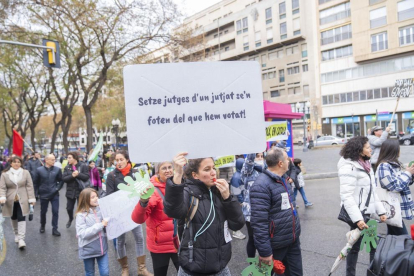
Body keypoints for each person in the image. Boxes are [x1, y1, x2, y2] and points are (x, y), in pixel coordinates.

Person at [163, 153, 245, 276]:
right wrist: (178, 174)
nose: (213, 172)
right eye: (207, 169)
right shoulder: (187, 191)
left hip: (221, 268)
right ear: (195, 175)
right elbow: (172, 210)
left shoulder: (219, 191)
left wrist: (228, 198)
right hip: (193, 270)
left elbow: (237, 224)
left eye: (213, 167)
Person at [338, 136, 387, 276]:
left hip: (368, 215)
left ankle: (373, 272)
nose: (371, 149)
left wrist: (381, 211)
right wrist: (358, 219)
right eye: (367, 147)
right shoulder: (349, 166)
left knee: (372, 245)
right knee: (355, 247)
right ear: (359, 150)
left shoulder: (366, 163)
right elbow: (346, 195)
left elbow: (372, 191)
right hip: (358, 215)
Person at [250, 148, 302, 276]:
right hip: (276, 244)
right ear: (280, 163)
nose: (290, 160)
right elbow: (259, 222)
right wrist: (265, 252)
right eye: (287, 158)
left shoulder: (283, 178)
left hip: (292, 240)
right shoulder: (261, 185)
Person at [106, 150, 152, 276]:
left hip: (134, 211)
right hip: (120, 214)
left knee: (139, 238)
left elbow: (144, 188)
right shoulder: (112, 176)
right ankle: (124, 268)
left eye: (121, 159)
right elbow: (109, 196)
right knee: (120, 241)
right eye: (117, 160)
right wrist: (124, 192)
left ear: (127, 160)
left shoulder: (136, 173)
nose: (119, 162)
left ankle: (142, 269)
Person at [131, 161, 179, 276]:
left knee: (186, 273)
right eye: (164, 168)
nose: (168, 170)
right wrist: (143, 201)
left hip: (179, 242)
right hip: (160, 245)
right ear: (157, 172)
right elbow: (138, 219)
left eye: (170, 167)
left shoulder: (179, 185)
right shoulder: (152, 190)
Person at [376, 139, 414, 235]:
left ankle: (384, 250)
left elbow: (404, 183)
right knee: (404, 239)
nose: (400, 151)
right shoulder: (384, 166)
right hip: (390, 208)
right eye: (399, 149)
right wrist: (408, 173)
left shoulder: (395, 165)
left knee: (394, 238)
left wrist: (410, 174)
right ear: (393, 150)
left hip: (395, 208)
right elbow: (395, 186)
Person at [0, 156, 36, 249]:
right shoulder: (5, 174)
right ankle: (16, 234)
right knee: (14, 217)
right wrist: (2, 197)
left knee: (22, 217)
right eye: (14, 162)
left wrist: (31, 199)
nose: (16, 163)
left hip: (23, 199)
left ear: (21, 163)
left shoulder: (25, 173)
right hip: (10, 199)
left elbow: (29, 186)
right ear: (10, 163)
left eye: (18, 162)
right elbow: (2, 187)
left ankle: (21, 239)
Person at [76, 188, 109, 276]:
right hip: (88, 249)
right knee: (90, 273)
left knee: (105, 272)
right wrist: (101, 225)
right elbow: (82, 234)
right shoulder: (81, 215)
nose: (96, 198)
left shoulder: (101, 210)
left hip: (102, 248)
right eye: (93, 197)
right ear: (85, 200)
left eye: (96, 196)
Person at [241, 152, 265, 258]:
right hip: (250, 212)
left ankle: (264, 265)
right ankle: (252, 264)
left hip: (264, 210)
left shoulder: (265, 171)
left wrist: (282, 140)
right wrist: (254, 147)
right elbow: (250, 160)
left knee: (264, 239)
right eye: (257, 156)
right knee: (253, 239)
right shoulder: (247, 171)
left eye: (261, 156)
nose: (259, 159)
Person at [34, 154, 62, 236]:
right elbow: (35, 183)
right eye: (52, 159)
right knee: (43, 211)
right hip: (44, 194)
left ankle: (55, 229)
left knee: (55, 211)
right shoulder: (39, 170)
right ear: (46, 160)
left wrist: (57, 189)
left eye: (54, 159)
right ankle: (42, 225)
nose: (54, 161)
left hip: (54, 194)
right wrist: (35, 194)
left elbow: (61, 180)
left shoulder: (57, 170)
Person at [62, 151, 90, 228]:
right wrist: (72, 176)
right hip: (70, 191)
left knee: (80, 209)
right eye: (68, 158)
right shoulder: (67, 167)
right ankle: (70, 218)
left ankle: (79, 224)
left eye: (69, 158)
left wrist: (78, 174)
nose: (68, 159)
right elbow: (64, 179)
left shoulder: (83, 166)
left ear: (75, 158)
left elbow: (86, 177)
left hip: (80, 190)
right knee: (69, 208)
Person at [229, 157, 246, 240]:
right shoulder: (236, 177)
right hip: (237, 200)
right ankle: (236, 231)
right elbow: (236, 192)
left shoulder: (240, 174)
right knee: (236, 216)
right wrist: (241, 201)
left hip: (239, 199)